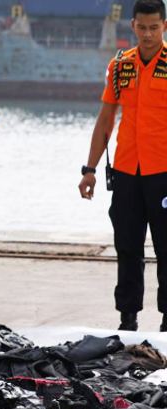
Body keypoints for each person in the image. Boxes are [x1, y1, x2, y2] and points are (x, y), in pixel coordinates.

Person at [79, 0, 167, 332]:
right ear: (132, 26)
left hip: (163, 173)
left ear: (165, 26)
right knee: (127, 246)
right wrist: (89, 169)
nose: (148, 34)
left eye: (154, 27)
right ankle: (127, 318)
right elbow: (105, 119)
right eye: (142, 27)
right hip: (127, 172)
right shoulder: (120, 66)